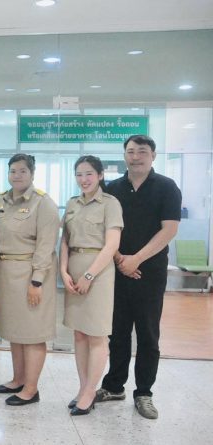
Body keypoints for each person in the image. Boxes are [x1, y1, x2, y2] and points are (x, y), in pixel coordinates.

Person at [96, 135, 181, 420]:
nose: (135, 157)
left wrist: (136, 259)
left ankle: (144, 392)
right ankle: (113, 386)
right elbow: (105, 229)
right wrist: (121, 259)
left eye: (142, 152)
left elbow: (169, 229)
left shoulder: (167, 187)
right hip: (116, 270)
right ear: (124, 156)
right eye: (130, 152)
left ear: (153, 155)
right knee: (117, 332)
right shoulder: (112, 188)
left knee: (147, 334)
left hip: (150, 272)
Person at [0, 153, 60, 406]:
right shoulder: (0, 200)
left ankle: (31, 389)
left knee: (33, 333)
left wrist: (37, 281)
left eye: (22, 171)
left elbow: (46, 246)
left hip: (30, 275)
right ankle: (17, 380)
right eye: (13, 171)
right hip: (4, 274)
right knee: (14, 331)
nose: (17, 175)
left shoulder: (43, 203)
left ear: (32, 173)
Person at [60, 155, 123, 415]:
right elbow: (65, 240)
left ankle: (90, 392)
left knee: (97, 334)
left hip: (98, 272)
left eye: (89, 174)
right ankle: (82, 387)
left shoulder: (110, 203)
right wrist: (63, 271)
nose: (83, 179)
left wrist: (88, 276)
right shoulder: (72, 203)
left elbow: (112, 245)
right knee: (79, 334)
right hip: (73, 268)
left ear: (100, 175)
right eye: (79, 174)